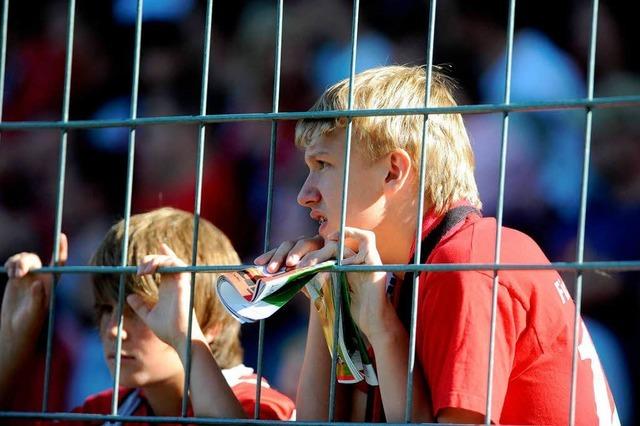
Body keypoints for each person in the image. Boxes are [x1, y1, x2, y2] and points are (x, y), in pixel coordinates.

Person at [255, 65, 620, 424]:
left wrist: (382, 327)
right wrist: (327, 293)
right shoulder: (405, 268)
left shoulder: (466, 262)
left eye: (323, 163)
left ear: (393, 171)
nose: (305, 195)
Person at [1, 207, 295, 424]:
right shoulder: (109, 411)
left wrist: (186, 340)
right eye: (105, 309)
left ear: (211, 323)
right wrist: (10, 345)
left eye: (142, 311)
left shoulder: (260, 407)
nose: (114, 330)